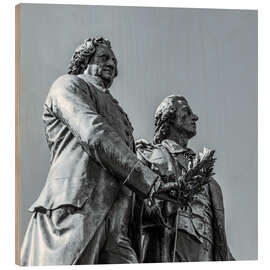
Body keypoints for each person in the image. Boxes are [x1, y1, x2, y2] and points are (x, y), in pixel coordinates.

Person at [20, 37, 177, 265]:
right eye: (104, 57)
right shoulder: (68, 85)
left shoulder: (120, 113)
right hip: (76, 210)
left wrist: (158, 204)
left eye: (114, 60)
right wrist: (151, 182)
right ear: (84, 61)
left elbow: (124, 174)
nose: (112, 63)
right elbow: (93, 133)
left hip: (120, 230)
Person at [134, 95, 235, 262]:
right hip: (167, 246)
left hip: (206, 254)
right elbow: (131, 203)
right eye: (187, 112)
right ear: (169, 117)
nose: (195, 117)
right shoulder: (148, 154)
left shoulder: (209, 178)